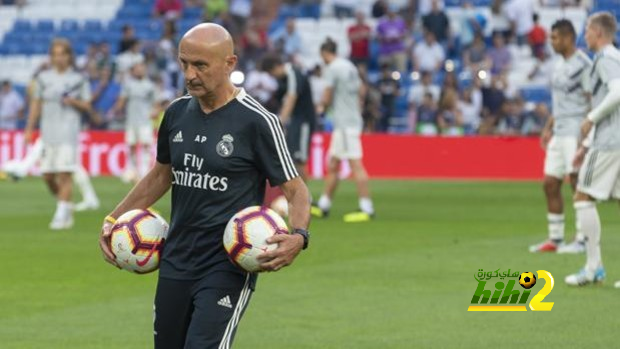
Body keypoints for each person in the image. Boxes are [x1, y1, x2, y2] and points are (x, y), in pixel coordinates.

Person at [98, 23, 311, 347]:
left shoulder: (257, 121)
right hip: (175, 259)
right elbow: (160, 174)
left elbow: (296, 190)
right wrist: (113, 220)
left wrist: (299, 236)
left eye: (200, 65)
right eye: (184, 63)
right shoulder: (176, 113)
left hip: (225, 265)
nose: (190, 74)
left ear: (230, 64)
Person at [564, 12, 620, 287]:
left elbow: (618, 92)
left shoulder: (605, 59)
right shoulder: (617, 57)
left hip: (610, 141)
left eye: (586, 30)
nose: (583, 35)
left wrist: (591, 118)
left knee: (582, 197)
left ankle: (593, 267)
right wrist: (584, 145)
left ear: (598, 33)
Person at [529, 20, 592, 254]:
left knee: (577, 182)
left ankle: (583, 239)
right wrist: (549, 127)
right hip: (559, 129)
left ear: (567, 38)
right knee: (550, 183)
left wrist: (586, 135)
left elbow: (591, 100)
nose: (551, 42)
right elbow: (558, 102)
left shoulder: (584, 65)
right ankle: (555, 239)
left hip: (576, 129)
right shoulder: (558, 66)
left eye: (554, 38)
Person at [24, 38, 93, 229]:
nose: (59, 58)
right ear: (51, 57)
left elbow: (87, 104)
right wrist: (29, 129)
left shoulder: (78, 80)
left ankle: (61, 215)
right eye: (55, 54)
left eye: (63, 54)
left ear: (69, 56)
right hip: (48, 133)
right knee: (47, 175)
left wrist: (73, 101)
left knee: (65, 174)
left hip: (68, 133)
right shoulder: (43, 78)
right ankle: (66, 205)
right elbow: (36, 105)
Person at [312, 39, 375, 222]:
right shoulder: (350, 66)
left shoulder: (332, 68)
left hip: (346, 124)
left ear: (324, 53)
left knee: (356, 165)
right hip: (349, 120)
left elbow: (327, 94)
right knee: (333, 163)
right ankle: (324, 205)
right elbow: (362, 90)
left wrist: (321, 107)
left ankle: (367, 207)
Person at [262, 55, 316, 181]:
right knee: (293, 158)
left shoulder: (293, 73)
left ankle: (305, 198)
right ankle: (300, 197)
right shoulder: (283, 80)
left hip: (303, 122)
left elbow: (291, 98)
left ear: (276, 67)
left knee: (300, 159)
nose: (272, 77)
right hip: (294, 122)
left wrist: (279, 122)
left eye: (271, 73)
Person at [111, 62, 161, 182]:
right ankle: (132, 171)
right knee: (132, 146)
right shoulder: (128, 85)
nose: (139, 71)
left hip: (145, 121)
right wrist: (115, 110)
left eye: (142, 68)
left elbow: (157, 104)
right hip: (131, 121)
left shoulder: (150, 86)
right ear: (133, 71)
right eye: (137, 69)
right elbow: (122, 101)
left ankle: (144, 171)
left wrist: (155, 112)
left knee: (145, 146)